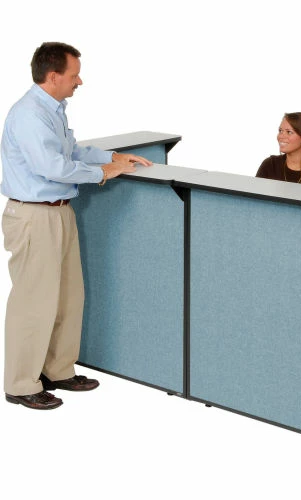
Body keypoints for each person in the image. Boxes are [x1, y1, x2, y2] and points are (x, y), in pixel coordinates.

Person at [1, 42, 153, 410]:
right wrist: (104, 172)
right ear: (53, 76)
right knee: (34, 302)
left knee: (69, 296)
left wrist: (112, 156)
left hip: (60, 212)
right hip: (34, 215)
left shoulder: (53, 109)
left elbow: (71, 151)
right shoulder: (29, 114)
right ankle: (21, 384)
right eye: (74, 75)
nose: (79, 81)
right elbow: (51, 167)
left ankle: (57, 370)